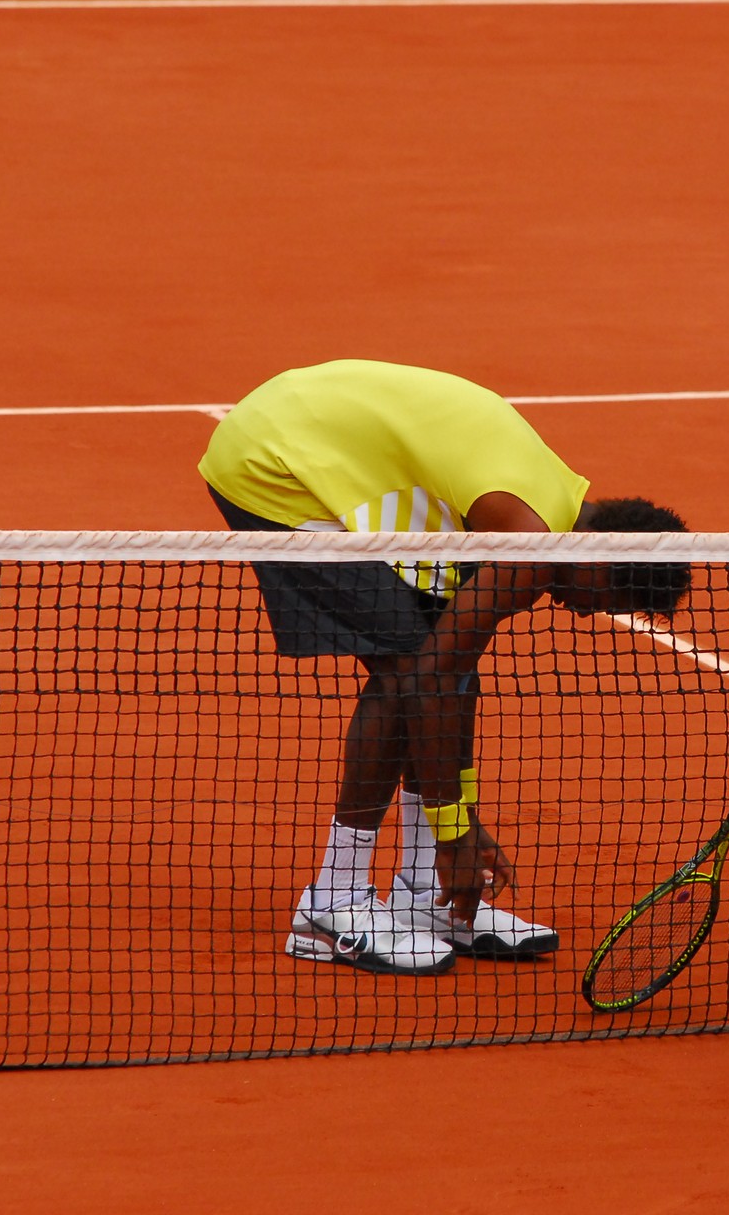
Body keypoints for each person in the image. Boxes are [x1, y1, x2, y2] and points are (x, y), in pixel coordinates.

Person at [198, 359, 691, 976]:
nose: (586, 613)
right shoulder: (528, 548)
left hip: (326, 430)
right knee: (405, 670)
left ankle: (420, 893)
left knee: (440, 663)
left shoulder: (560, 511)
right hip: (274, 459)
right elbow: (426, 679)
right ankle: (333, 902)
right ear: (601, 563)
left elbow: (452, 674)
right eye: (606, 602)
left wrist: (460, 826)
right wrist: (459, 834)